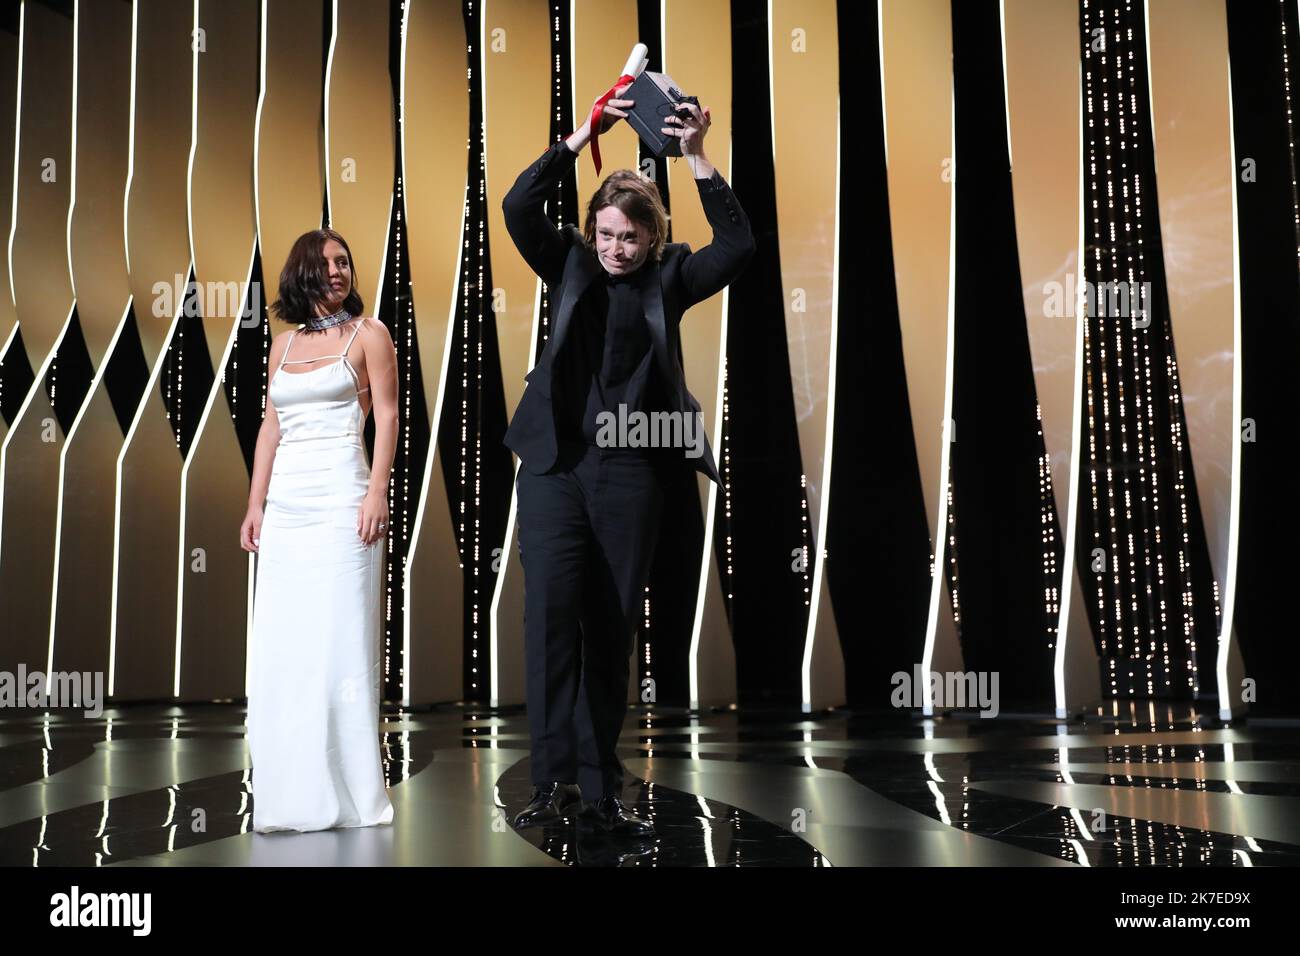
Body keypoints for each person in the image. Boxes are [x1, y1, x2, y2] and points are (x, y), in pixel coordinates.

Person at [502, 84, 755, 836]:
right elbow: (519, 207)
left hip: (631, 475)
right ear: (592, 231)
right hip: (554, 470)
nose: (616, 248)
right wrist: (581, 137)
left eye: (629, 238)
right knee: (548, 623)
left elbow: (738, 247)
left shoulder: (670, 278)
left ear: (651, 237)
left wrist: (698, 156)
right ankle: (551, 784)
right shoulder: (570, 265)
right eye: (606, 234)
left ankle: (601, 783)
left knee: (610, 630)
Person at [240, 227, 399, 833]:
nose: (338, 271)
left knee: (341, 644)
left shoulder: (370, 334)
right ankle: (290, 796)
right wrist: (256, 505)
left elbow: (386, 417)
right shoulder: (280, 347)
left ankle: (353, 795)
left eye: (345, 261)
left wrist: (377, 491)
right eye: (328, 262)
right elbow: (270, 429)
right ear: (302, 270)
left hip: (342, 501)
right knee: (286, 650)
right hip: (287, 509)